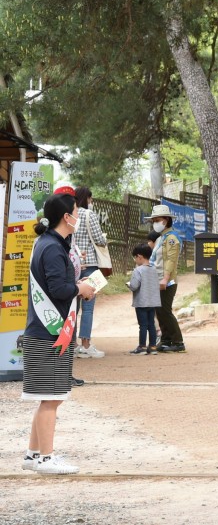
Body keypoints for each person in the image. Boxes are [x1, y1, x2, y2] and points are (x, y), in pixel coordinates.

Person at [20, 192, 97, 474]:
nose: (78, 216)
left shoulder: (50, 243)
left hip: (46, 331)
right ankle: (46, 459)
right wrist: (80, 288)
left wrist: (79, 284)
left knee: (46, 397)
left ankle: (32, 455)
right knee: (51, 399)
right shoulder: (52, 247)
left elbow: (61, 284)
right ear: (66, 217)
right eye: (76, 212)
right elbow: (59, 290)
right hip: (48, 333)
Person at [71, 186, 108, 359]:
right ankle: (86, 345)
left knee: (72, 308)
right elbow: (99, 239)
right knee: (88, 307)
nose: (91, 202)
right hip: (91, 264)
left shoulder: (69, 215)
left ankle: (72, 344)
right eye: (91, 199)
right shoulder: (88, 214)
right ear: (87, 198)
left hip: (72, 265)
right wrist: (105, 238)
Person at [146, 204, 186, 353]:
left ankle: (178, 341)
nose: (156, 223)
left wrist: (165, 279)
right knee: (159, 311)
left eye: (158, 219)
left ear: (166, 220)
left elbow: (171, 260)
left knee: (165, 310)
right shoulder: (162, 238)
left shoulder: (171, 238)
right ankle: (166, 339)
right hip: (158, 280)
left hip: (167, 281)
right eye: (154, 220)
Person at [127, 244, 161, 355]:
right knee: (151, 324)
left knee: (143, 325)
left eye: (135, 257)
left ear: (139, 256)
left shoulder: (138, 270)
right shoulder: (153, 269)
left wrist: (129, 285)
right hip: (152, 302)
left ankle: (142, 346)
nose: (135, 260)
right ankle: (153, 346)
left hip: (141, 302)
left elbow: (134, 286)